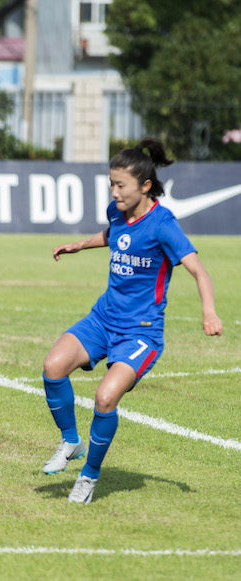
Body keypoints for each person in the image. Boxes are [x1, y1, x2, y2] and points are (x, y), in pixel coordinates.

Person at [40, 138, 222, 504]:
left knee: (105, 397)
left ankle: (89, 477)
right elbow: (114, 236)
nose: (114, 191)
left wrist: (209, 312)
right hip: (103, 317)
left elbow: (198, 271)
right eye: (112, 183)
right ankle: (71, 441)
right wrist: (79, 245)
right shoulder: (117, 212)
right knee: (53, 366)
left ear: (145, 186)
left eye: (120, 185)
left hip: (140, 333)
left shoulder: (163, 225)